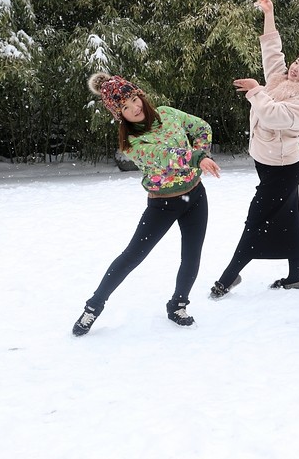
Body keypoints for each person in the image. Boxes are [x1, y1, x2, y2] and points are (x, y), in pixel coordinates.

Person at [72, 73, 221, 336]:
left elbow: (202, 127)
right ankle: (93, 307)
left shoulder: (167, 113)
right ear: (120, 116)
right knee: (133, 256)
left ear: (140, 95)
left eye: (133, 99)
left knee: (192, 255)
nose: (134, 108)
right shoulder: (132, 143)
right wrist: (197, 158)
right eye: (124, 107)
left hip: (196, 195)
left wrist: (202, 154)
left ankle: (178, 305)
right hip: (163, 204)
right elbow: (164, 156)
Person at [209, 0, 299, 299]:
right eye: (296, 63)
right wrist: (268, 13)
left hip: (283, 170)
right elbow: (273, 51)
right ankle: (295, 278)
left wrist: (255, 91)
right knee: (290, 219)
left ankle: (228, 277)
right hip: (268, 164)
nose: (295, 68)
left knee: (255, 221)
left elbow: (274, 116)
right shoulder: (279, 80)